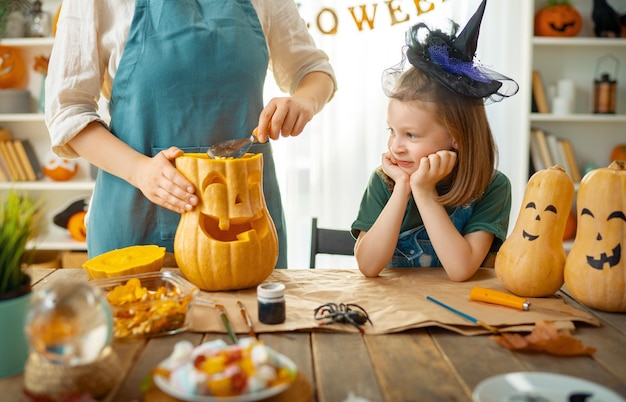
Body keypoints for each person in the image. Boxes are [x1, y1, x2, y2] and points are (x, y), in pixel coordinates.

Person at [45, 0, 336, 268]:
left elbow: (312, 69)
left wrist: (304, 101)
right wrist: (140, 171)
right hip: (136, 222)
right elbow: (67, 111)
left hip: (246, 224)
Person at [351, 0, 518, 281]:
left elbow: (460, 269)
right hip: (395, 313)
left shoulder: (491, 187)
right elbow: (368, 266)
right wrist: (403, 188)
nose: (395, 146)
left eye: (411, 135)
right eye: (392, 130)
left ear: (455, 135)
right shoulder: (385, 181)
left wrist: (425, 193)